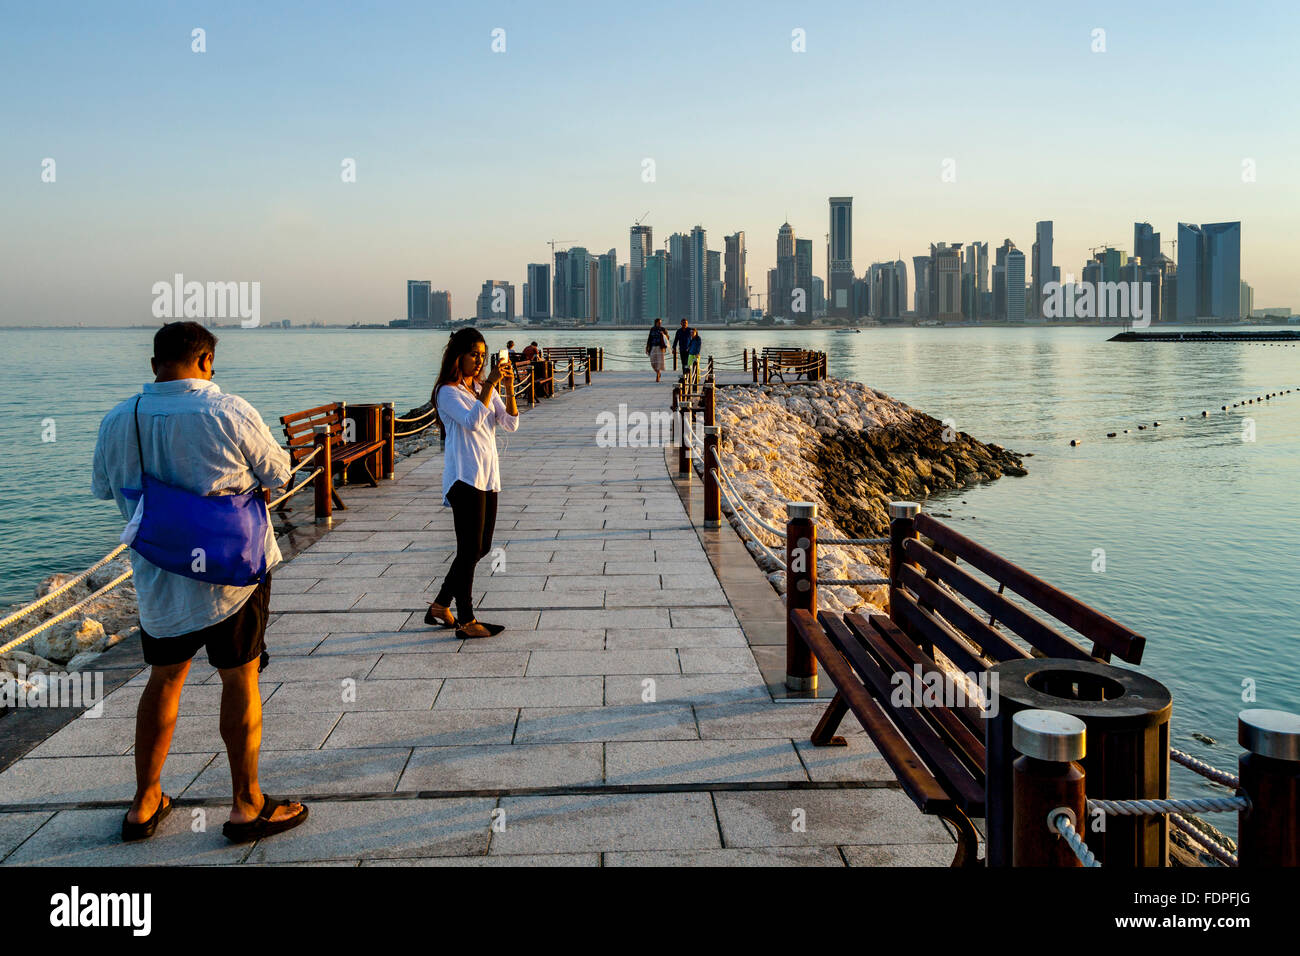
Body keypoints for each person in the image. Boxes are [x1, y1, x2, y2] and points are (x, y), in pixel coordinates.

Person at [91, 321, 308, 844]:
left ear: (153, 365)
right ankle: (246, 805)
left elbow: (105, 489)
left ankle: (145, 803)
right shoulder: (228, 410)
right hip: (232, 578)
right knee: (241, 679)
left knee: (164, 680)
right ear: (207, 360)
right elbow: (282, 474)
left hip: (161, 581)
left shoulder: (120, 418)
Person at [426, 328, 520, 639]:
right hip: (464, 478)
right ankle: (466, 619)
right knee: (468, 549)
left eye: (482, 355)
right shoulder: (447, 392)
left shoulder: (481, 387)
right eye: (473, 355)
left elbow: (510, 423)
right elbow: (471, 422)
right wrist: (490, 384)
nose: (479, 361)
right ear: (458, 356)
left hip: (488, 477)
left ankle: (441, 604)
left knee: (481, 547)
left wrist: (505, 386)